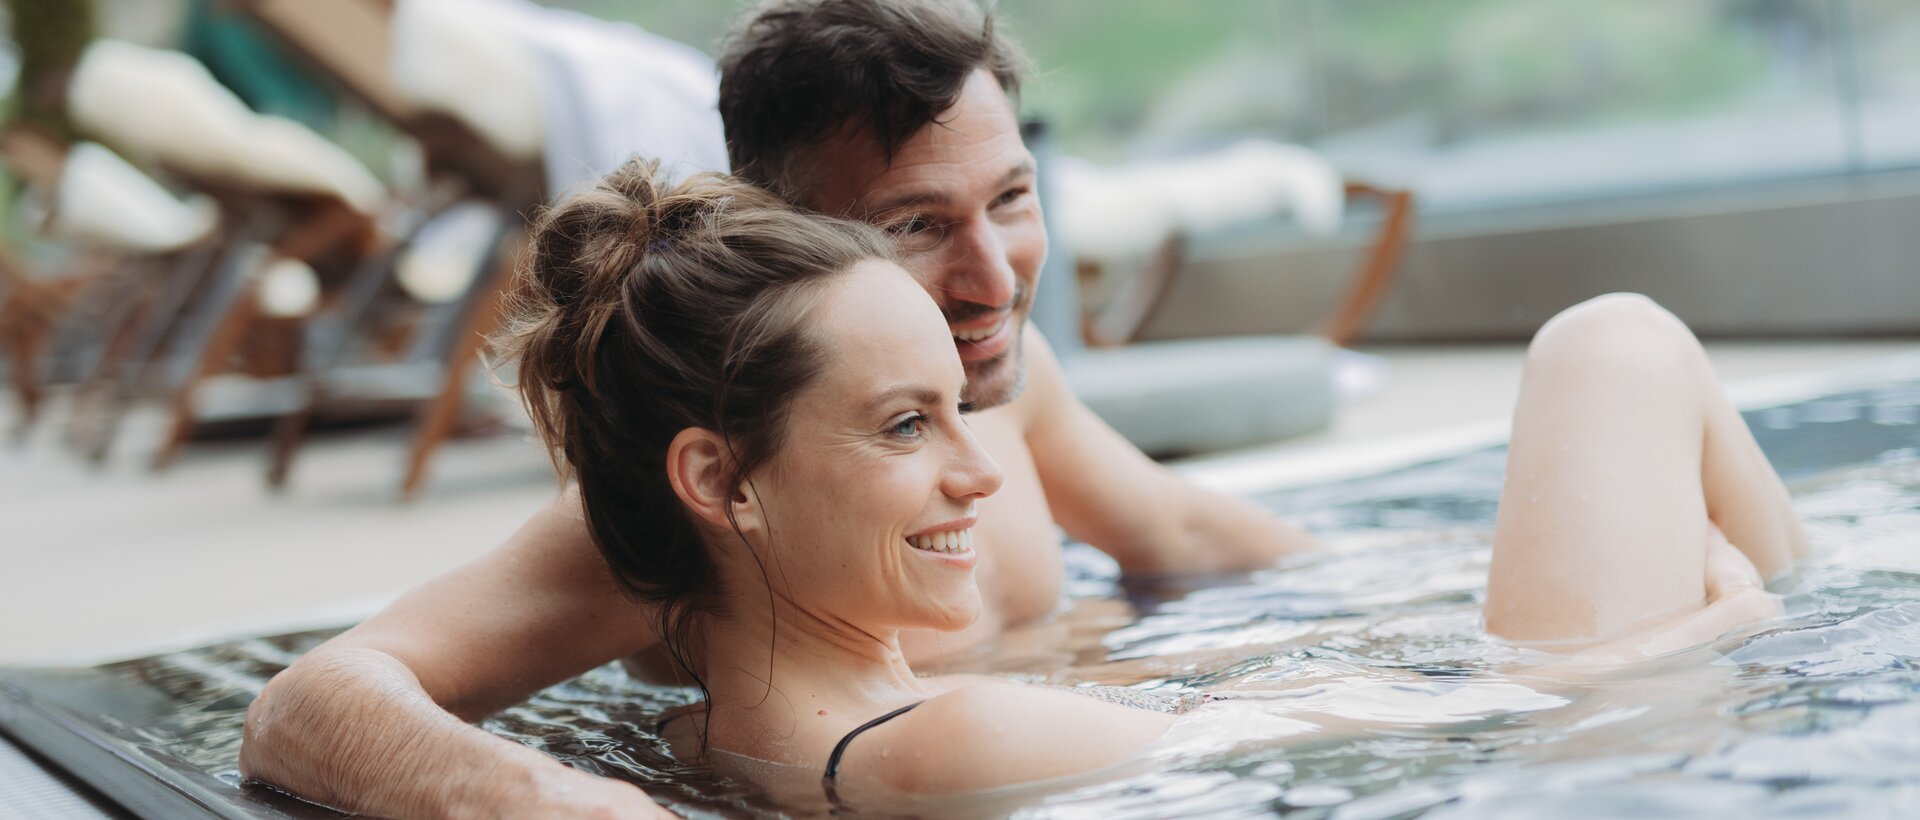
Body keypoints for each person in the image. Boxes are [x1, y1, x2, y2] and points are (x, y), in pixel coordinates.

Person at [396, 159, 1804, 812]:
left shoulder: (705, 742)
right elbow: (1488, 713)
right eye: (903, 426)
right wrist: (1727, 623)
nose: (974, 470)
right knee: (1612, 344)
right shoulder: (947, 746)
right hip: (1576, 759)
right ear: (720, 480)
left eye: (963, 413)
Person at [240, 1, 1317, 816]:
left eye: (1013, 198)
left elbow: (1185, 533)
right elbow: (311, 702)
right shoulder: (683, 510)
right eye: (916, 226)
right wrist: (574, 804)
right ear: (790, 244)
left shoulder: (1001, 375)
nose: (996, 280)